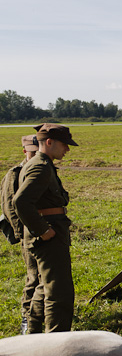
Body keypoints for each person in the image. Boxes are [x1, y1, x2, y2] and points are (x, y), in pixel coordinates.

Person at [13, 124, 79, 333]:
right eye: (64, 144)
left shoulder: (42, 163)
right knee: (58, 292)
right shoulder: (40, 166)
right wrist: (42, 230)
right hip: (48, 236)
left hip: (50, 233)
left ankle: (32, 333)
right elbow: (21, 202)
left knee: (44, 286)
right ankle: (57, 342)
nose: (67, 150)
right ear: (49, 142)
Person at [1, 135, 41, 333]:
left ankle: (41, 313)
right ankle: (27, 318)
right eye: (32, 152)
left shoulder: (41, 168)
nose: (36, 155)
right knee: (33, 277)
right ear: (24, 151)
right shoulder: (15, 173)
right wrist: (23, 235)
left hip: (42, 230)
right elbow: (10, 206)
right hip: (29, 233)